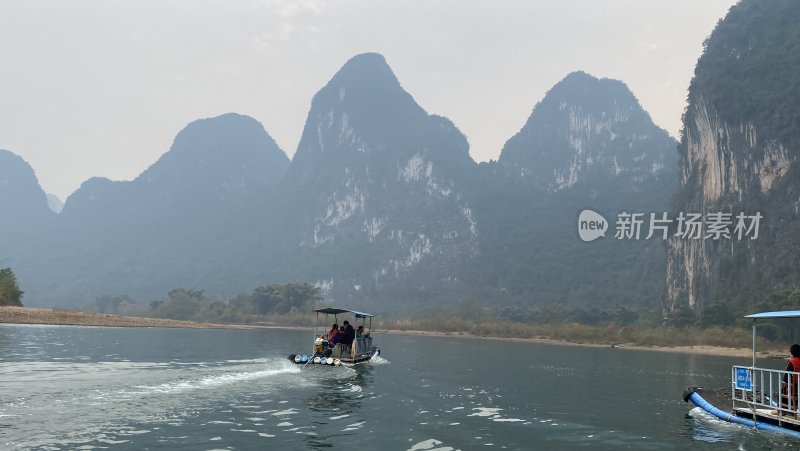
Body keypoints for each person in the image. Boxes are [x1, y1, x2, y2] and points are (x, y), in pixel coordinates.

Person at [777, 344, 800, 414]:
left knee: (782, 391)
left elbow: (785, 378)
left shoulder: (792, 362)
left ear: (792, 353)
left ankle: (780, 410)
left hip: (795, 389)